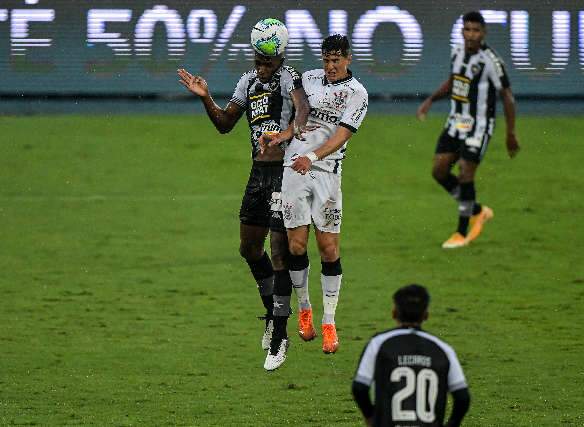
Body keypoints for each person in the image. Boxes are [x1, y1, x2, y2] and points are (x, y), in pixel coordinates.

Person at [177, 18, 311, 370]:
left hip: (285, 176)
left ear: (280, 57)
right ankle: (272, 313)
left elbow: (303, 112)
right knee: (250, 248)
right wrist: (206, 98)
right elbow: (224, 125)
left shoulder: (290, 78)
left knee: (280, 255)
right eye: (258, 59)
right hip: (257, 175)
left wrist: (285, 136)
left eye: (268, 60)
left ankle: (280, 337)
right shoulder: (247, 82)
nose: (262, 66)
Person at [260, 34, 368, 364]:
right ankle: (305, 308)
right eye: (326, 59)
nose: (330, 66)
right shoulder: (308, 79)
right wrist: (281, 137)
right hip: (295, 169)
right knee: (295, 246)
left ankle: (330, 321)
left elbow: (341, 135)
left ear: (348, 59)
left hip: (327, 173)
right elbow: (300, 119)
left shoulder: (358, 94)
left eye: (336, 60)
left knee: (329, 248)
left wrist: (314, 156)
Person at [416, 11, 520, 249]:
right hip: (457, 122)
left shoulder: (492, 61)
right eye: (467, 29)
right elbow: (454, 82)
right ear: (462, 31)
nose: (471, 34)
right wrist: (430, 100)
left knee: (465, 172)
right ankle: (477, 210)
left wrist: (511, 133)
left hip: (479, 127)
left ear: (484, 33)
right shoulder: (457, 52)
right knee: (439, 171)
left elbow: (508, 97)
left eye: (476, 30)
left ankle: (461, 233)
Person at [352, 284, 471, 427]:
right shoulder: (443, 349)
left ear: (394, 312)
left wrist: (371, 417)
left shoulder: (378, 343)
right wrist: (452, 424)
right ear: (426, 314)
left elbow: (359, 388)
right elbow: (462, 397)